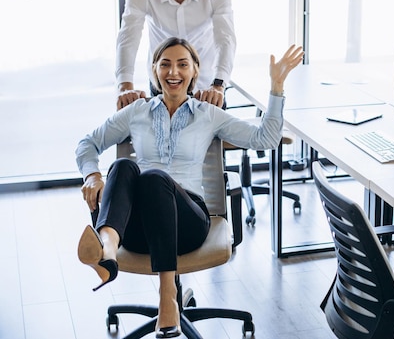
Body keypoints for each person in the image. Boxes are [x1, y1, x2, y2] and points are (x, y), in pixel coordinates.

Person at [76, 37, 303, 338]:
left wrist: (276, 88)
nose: (174, 72)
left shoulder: (208, 113)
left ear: (195, 71)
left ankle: (167, 294)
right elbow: (87, 144)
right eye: (165, 64)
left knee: (154, 178)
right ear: (154, 71)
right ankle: (106, 250)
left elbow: (266, 140)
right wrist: (92, 175)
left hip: (189, 224)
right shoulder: (137, 111)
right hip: (138, 231)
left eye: (183, 64)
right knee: (122, 167)